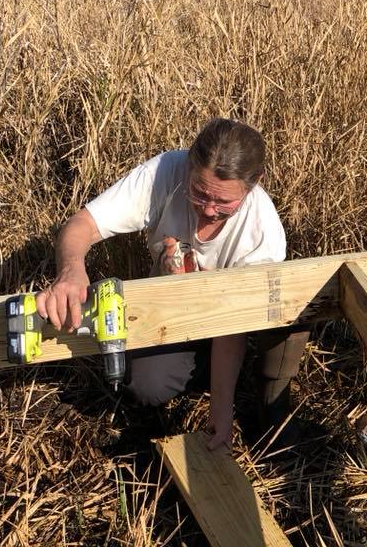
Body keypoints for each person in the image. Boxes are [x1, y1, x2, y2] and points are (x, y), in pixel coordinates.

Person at [35, 118, 307, 451]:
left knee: (290, 314)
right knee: (147, 386)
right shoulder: (165, 171)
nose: (208, 210)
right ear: (189, 165)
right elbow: (82, 224)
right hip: (175, 314)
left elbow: (230, 325)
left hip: (233, 325)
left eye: (224, 204)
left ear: (253, 185)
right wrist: (71, 271)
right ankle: (204, 372)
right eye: (199, 193)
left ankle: (268, 402)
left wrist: (220, 413)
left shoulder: (262, 232)